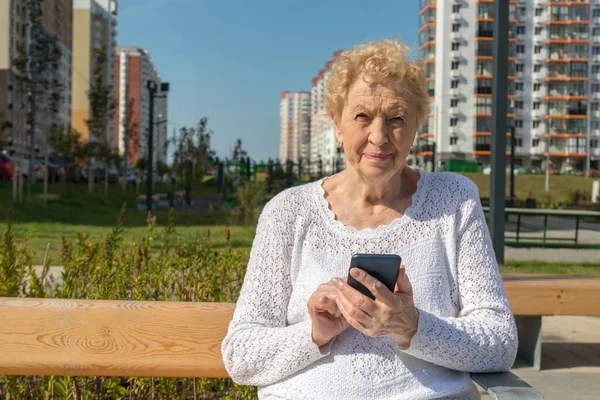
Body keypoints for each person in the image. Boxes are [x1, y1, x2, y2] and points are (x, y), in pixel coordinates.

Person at [222, 39, 517, 399]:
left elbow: (499, 342)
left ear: (416, 128)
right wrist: (315, 332)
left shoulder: (455, 201)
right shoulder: (288, 212)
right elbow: (241, 357)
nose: (379, 137)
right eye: (362, 116)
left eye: (396, 119)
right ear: (336, 124)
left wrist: (412, 326)